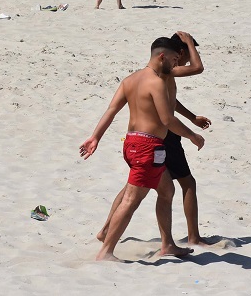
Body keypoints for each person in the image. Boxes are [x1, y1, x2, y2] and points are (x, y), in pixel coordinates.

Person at [79, 37, 206, 261]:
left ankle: (167, 245)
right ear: (161, 57)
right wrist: (192, 135)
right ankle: (106, 251)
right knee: (131, 200)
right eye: (174, 59)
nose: (176, 64)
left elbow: (111, 110)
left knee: (167, 191)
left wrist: (95, 137)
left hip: (131, 143)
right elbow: (167, 119)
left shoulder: (130, 79)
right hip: (148, 147)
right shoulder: (156, 82)